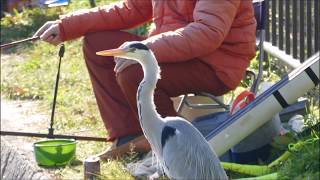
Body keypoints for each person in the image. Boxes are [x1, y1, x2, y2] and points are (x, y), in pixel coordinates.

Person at [34, 0, 256, 160]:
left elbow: (206, 33)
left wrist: (145, 50)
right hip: (174, 52)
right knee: (98, 45)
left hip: (215, 65)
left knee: (136, 71)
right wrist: (67, 26)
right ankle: (131, 138)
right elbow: (132, 8)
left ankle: (176, 149)